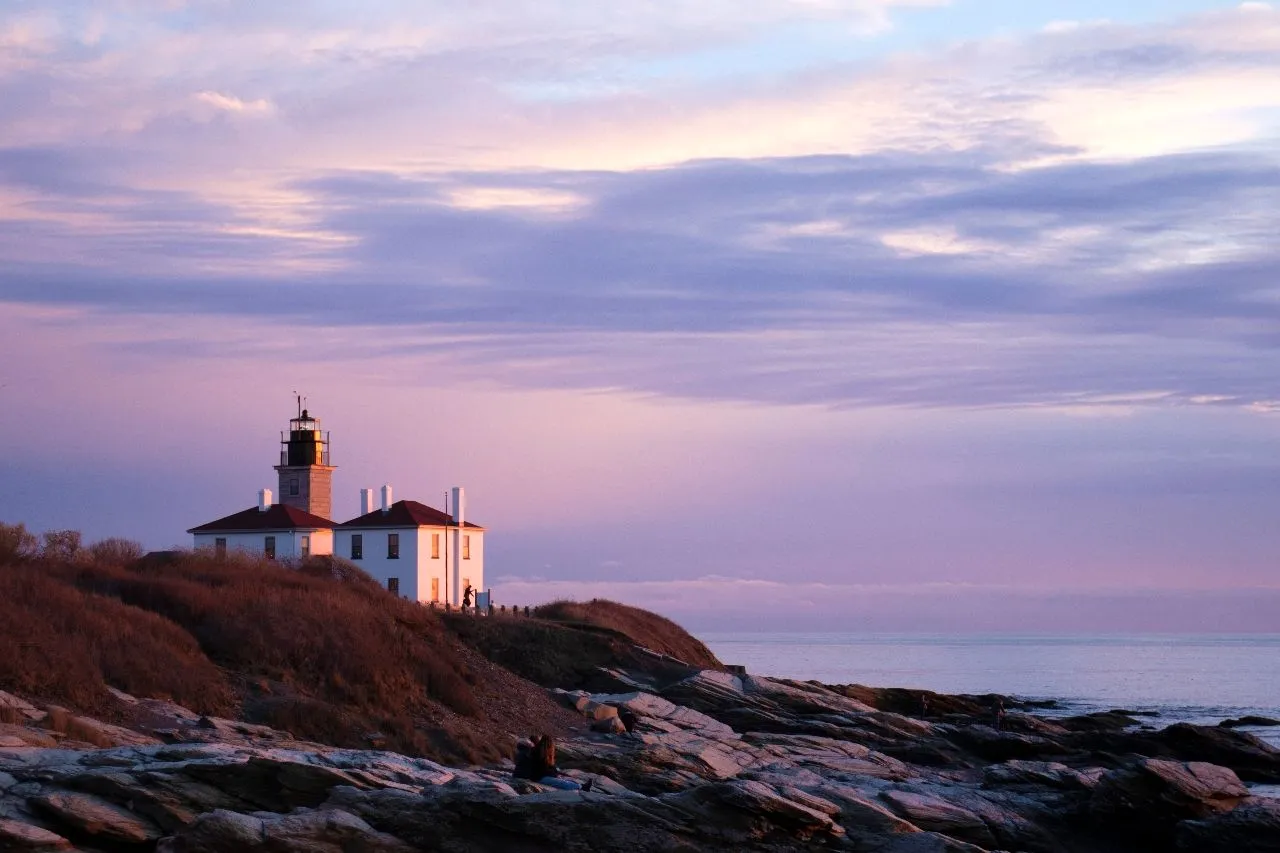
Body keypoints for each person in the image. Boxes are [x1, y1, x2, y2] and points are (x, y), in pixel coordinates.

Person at [512, 735, 591, 792]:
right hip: (536, 777)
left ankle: (581, 785)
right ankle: (582, 787)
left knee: (562, 780)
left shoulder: (534, 752)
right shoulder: (537, 754)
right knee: (562, 783)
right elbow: (543, 770)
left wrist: (555, 773)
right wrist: (555, 774)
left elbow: (547, 768)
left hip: (535, 776)